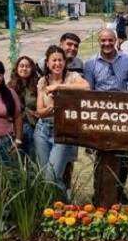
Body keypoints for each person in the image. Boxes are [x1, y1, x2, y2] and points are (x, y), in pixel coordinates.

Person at [84, 28, 128, 202]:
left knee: (123, 156)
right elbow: (89, 93)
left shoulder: (127, 61)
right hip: (101, 117)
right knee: (101, 156)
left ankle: (120, 192)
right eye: (103, 40)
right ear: (98, 41)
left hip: (123, 116)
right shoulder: (90, 63)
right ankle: (98, 191)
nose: (106, 44)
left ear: (116, 40)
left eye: (110, 40)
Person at [35, 46, 89, 197]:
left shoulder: (72, 77)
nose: (57, 64)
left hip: (63, 130)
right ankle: (58, 209)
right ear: (47, 63)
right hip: (43, 130)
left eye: (60, 60)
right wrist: (52, 108)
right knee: (46, 176)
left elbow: (86, 87)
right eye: (54, 60)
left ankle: (63, 208)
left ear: (65, 62)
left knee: (51, 177)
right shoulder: (42, 81)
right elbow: (39, 110)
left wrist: (59, 86)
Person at [9, 55, 39, 160]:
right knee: (17, 160)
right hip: (16, 129)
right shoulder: (9, 87)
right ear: (17, 68)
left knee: (33, 160)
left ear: (32, 69)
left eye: (27, 66)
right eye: (21, 66)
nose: (24, 69)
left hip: (34, 127)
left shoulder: (38, 85)